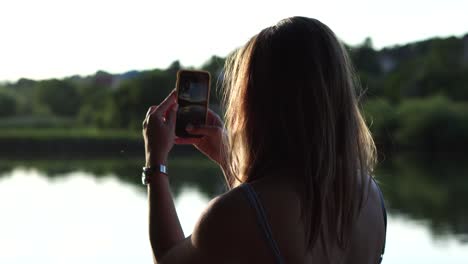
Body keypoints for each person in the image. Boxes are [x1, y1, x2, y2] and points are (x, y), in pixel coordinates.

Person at [141, 16, 387, 264]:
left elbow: (167, 260)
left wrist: (156, 163)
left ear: (255, 104)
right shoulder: (371, 197)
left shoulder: (234, 214)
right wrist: (229, 162)